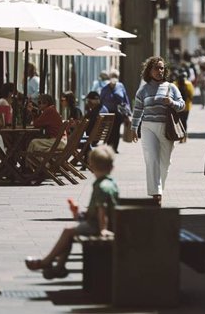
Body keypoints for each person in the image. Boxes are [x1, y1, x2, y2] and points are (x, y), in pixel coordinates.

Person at [24, 145, 119, 279]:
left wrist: (103, 229)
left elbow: (102, 210)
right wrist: (79, 214)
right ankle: (59, 266)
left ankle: (47, 261)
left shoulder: (101, 186)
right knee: (70, 234)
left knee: (68, 231)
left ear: (92, 166)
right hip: (99, 222)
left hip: (97, 225)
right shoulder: (111, 183)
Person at [130, 56, 185, 206]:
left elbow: (182, 105)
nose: (159, 71)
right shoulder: (143, 89)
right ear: (149, 71)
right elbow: (138, 110)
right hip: (148, 127)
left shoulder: (171, 87)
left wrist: (172, 102)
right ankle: (156, 193)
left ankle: (159, 188)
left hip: (166, 128)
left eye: (161, 68)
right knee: (152, 159)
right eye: (156, 68)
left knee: (165, 163)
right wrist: (134, 128)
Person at [99, 73, 131, 152]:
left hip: (118, 112)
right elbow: (101, 100)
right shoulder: (105, 88)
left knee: (116, 130)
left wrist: (128, 112)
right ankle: (109, 147)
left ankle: (115, 148)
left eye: (115, 76)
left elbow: (125, 99)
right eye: (112, 76)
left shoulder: (120, 86)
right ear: (109, 78)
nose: (114, 78)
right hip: (108, 112)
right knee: (109, 130)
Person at [174, 72, 194, 142]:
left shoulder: (175, 84)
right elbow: (191, 95)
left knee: (179, 121)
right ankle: (184, 136)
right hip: (187, 106)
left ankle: (181, 136)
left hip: (178, 106)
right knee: (184, 121)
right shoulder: (188, 84)